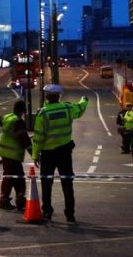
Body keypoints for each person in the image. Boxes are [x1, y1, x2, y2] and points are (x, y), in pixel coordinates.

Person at [32, 84, 88, 222]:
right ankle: (70, 213)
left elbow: (38, 137)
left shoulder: (43, 113)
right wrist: (84, 100)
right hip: (64, 152)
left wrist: (35, 155)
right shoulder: (67, 108)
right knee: (67, 183)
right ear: (59, 96)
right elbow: (80, 109)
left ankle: (47, 212)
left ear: (46, 97)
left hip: (48, 154)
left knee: (46, 184)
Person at [0, 100, 32, 211]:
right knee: (17, 179)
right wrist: (35, 155)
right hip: (13, 155)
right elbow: (25, 141)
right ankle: (14, 200)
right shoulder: (18, 122)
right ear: (23, 111)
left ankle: (12, 200)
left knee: (11, 177)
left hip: (4, 153)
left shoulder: (8, 117)